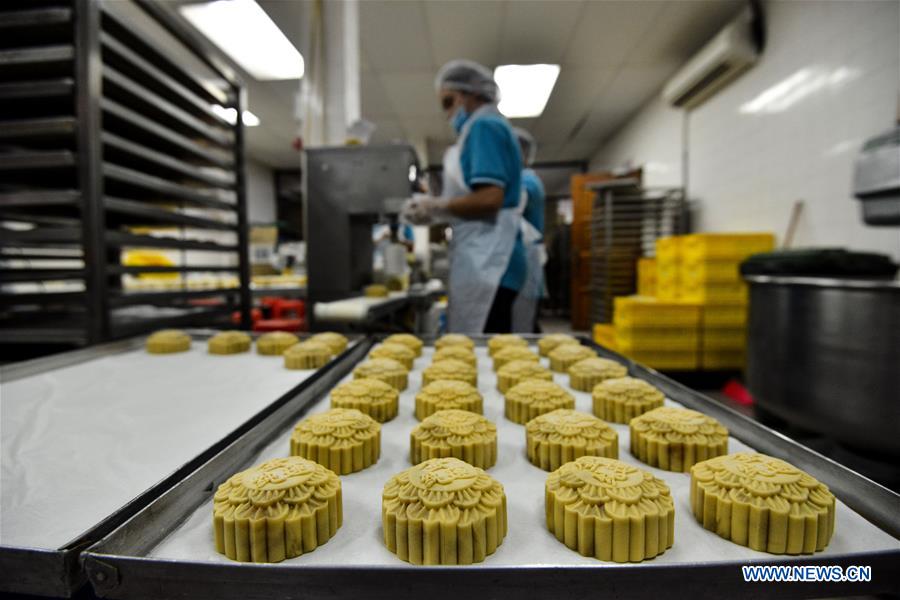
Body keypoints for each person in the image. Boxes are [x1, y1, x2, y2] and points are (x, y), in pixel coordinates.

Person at [401, 59, 525, 334]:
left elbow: (490, 198)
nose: (447, 114)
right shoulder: (486, 128)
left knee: (486, 350)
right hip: (490, 255)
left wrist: (436, 207)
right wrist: (438, 210)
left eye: (449, 102)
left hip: (492, 260)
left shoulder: (484, 127)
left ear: (472, 94)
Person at [511, 127, 546, 333]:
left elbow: (508, 209)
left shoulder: (526, 181)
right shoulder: (523, 179)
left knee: (520, 326)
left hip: (524, 262)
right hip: (521, 262)